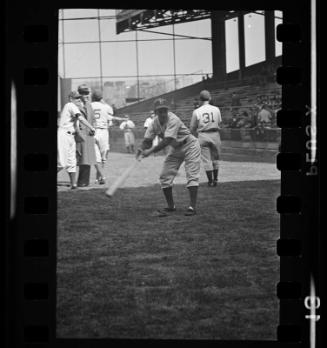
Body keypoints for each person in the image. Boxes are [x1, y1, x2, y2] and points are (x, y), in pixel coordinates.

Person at [136, 98, 201, 217]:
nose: (162, 113)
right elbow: (147, 140)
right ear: (155, 112)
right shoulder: (154, 123)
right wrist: (141, 148)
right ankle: (171, 206)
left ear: (167, 110)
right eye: (159, 111)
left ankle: (192, 207)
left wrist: (149, 151)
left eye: (164, 110)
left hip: (190, 145)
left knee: (192, 175)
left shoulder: (173, 119)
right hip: (176, 149)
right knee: (165, 176)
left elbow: (167, 140)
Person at [57, 91, 96, 189]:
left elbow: (77, 127)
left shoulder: (73, 108)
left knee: (72, 161)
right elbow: (81, 118)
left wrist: (79, 138)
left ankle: (73, 184)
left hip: (70, 136)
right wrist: (91, 127)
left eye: (79, 98)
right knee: (62, 162)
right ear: (71, 99)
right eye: (76, 98)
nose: (78, 100)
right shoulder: (70, 105)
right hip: (64, 135)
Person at [91, 89, 127, 184]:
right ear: (101, 98)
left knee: (96, 156)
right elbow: (111, 114)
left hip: (93, 131)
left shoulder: (90, 105)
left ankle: (99, 177)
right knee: (103, 157)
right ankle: (101, 177)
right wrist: (104, 102)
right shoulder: (105, 106)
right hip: (103, 132)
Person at [190, 90, 222, 187]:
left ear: (200, 99)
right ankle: (216, 179)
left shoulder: (196, 111)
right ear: (210, 98)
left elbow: (192, 127)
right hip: (215, 134)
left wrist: (193, 136)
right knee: (215, 158)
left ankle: (210, 181)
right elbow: (219, 122)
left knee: (206, 160)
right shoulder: (216, 109)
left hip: (203, 135)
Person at [75, 84, 97, 187]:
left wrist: (94, 128)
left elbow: (93, 119)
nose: (87, 95)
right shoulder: (75, 105)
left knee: (88, 159)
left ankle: (84, 181)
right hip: (80, 134)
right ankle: (80, 181)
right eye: (84, 93)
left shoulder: (89, 105)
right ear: (79, 94)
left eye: (87, 93)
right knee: (80, 158)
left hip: (89, 134)